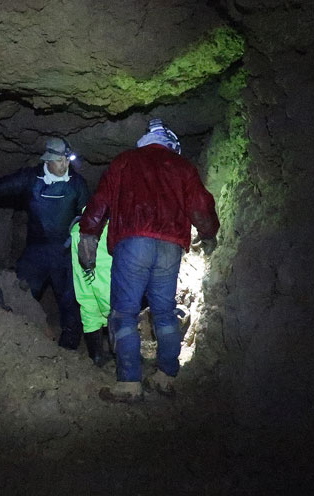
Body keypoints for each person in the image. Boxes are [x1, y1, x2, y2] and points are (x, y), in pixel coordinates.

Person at [78, 119, 219, 402]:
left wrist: (88, 233)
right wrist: (208, 234)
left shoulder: (125, 161)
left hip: (133, 242)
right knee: (164, 313)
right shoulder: (183, 167)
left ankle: (129, 383)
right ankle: (166, 376)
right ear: (171, 145)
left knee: (124, 312)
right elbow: (201, 206)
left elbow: (101, 201)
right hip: (169, 246)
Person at [0, 137, 90, 350]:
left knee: (70, 300)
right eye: (60, 161)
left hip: (65, 254)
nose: (65, 165)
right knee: (21, 292)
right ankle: (19, 341)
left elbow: (88, 215)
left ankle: (69, 348)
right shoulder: (30, 179)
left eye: (67, 160)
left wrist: (82, 237)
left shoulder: (77, 184)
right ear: (48, 160)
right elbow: (1, 188)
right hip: (36, 253)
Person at [70, 214, 112, 367]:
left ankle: (96, 356)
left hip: (80, 229)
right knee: (109, 296)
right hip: (103, 231)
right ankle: (122, 355)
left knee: (87, 295)